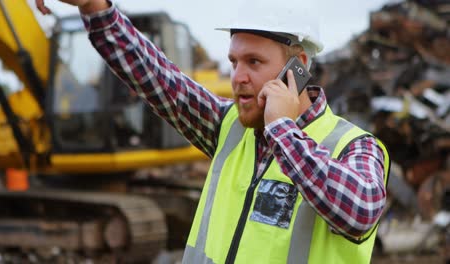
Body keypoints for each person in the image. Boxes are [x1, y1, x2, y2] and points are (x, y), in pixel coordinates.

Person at [36, 0, 390, 263]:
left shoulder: (354, 146)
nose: (238, 77)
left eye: (254, 62)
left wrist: (282, 128)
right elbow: (157, 77)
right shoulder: (231, 129)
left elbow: (358, 212)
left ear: (298, 67)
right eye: (234, 61)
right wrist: (96, 8)